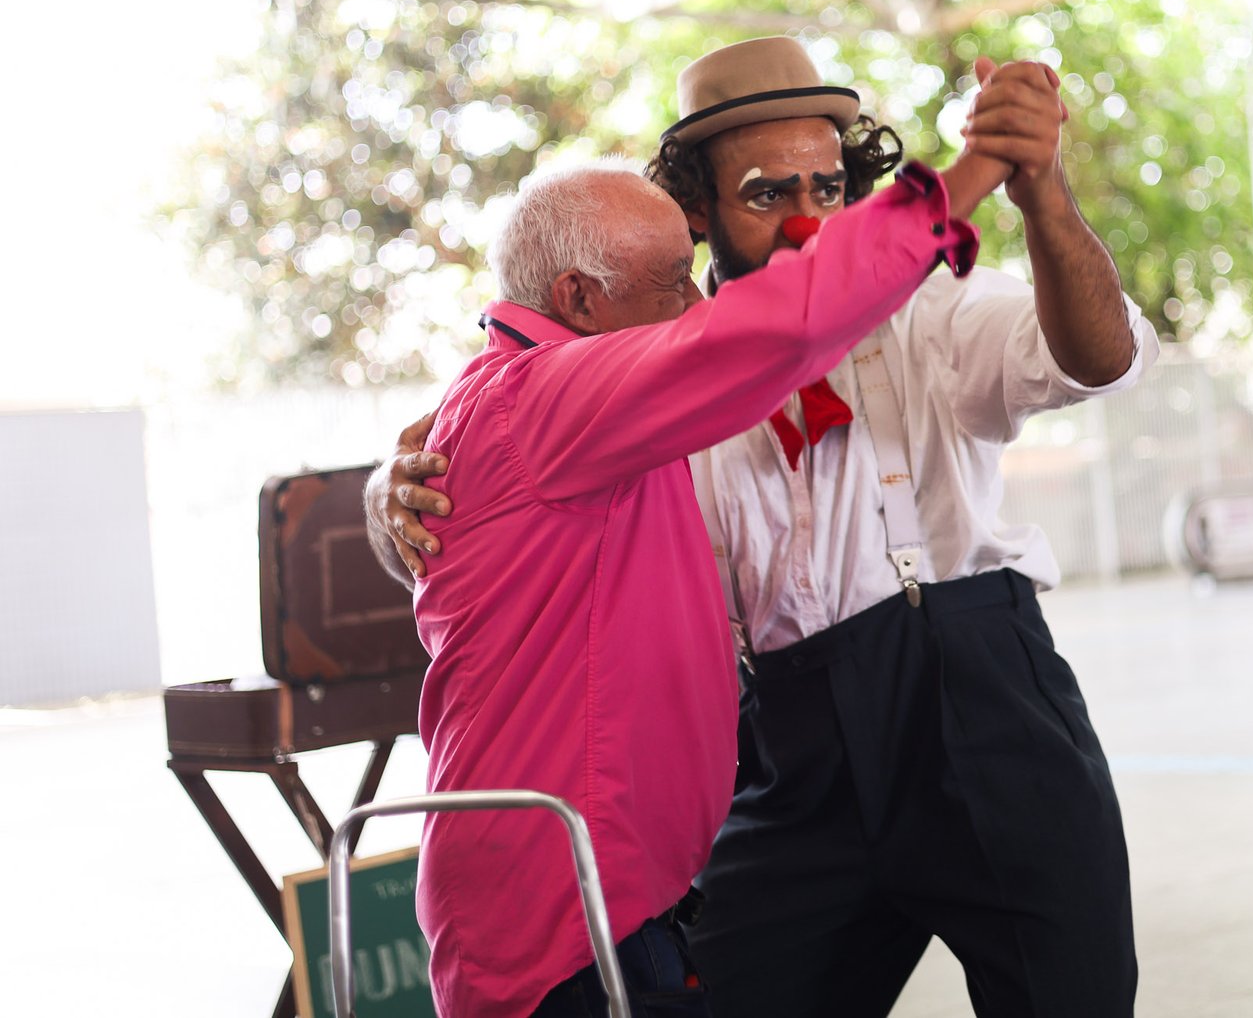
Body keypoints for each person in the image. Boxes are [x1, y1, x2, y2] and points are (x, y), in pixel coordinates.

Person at [373, 36, 1157, 1017]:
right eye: (762, 193)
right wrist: (387, 490)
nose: (803, 219)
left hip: (976, 695)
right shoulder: (653, 359)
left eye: (827, 188)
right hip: (789, 738)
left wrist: (1041, 197)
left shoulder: (932, 306)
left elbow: (1098, 355)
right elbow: (504, 455)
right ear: (696, 209)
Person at [406, 135, 1007, 1018]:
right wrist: (961, 182)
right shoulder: (540, 402)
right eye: (669, 283)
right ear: (578, 298)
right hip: (566, 908)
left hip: (613, 888)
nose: (696, 302)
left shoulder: (530, 405)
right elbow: (770, 331)